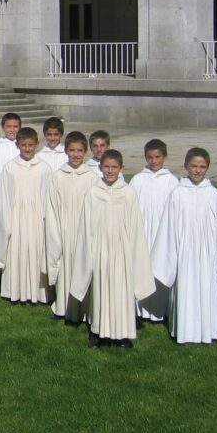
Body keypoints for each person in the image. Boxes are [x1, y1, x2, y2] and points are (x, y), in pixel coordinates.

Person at [151, 148, 217, 345]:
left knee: (207, 288)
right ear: (186, 166)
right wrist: (169, 259)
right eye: (194, 166)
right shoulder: (177, 194)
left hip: (207, 253)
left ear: (208, 168)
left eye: (202, 167)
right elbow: (168, 228)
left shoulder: (214, 196)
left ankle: (209, 329)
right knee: (185, 288)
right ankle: (185, 331)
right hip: (184, 252)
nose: (198, 171)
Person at [70, 150, 155, 349]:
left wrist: (133, 252)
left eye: (114, 167)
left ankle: (123, 333)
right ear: (100, 168)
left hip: (122, 249)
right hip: (100, 249)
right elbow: (86, 226)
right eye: (106, 167)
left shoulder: (128, 193)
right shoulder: (93, 192)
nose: (110, 171)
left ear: (121, 168)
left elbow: (135, 227)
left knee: (121, 290)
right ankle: (98, 331)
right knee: (100, 289)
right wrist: (90, 252)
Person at [0, 127, 52, 304]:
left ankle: (37, 293)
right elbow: (4, 198)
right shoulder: (10, 168)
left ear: (37, 145)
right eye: (23, 145)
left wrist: (46, 219)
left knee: (36, 253)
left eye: (31, 145)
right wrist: (7, 223)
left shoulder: (44, 168)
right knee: (16, 252)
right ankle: (14, 291)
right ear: (17, 145)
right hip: (16, 218)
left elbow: (48, 196)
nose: (27, 148)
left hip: (37, 218)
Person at [44, 131, 99, 321]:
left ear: (85, 152)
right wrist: (55, 230)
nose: (75, 154)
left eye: (79, 151)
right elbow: (52, 205)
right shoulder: (58, 176)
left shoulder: (92, 177)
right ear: (66, 151)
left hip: (83, 230)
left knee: (83, 267)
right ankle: (63, 307)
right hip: (64, 228)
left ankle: (84, 310)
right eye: (72, 150)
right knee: (65, 267)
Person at [129, 139, 179, 322]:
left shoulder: (172, 182)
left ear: (164, 157)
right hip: (142, 232)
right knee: (141, 268)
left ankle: (160, 310)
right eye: (150, 157)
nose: (154, 161)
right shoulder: (137, 180)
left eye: (157, 157)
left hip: (161, 233)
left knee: (159, 266)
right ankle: (140, 309)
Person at [0, 113, 22, 189]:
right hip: (1, 190)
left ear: (20, 128)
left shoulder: (23, 147)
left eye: (15, 127)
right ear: (3, 127)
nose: (12, 130)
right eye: (9, 127)